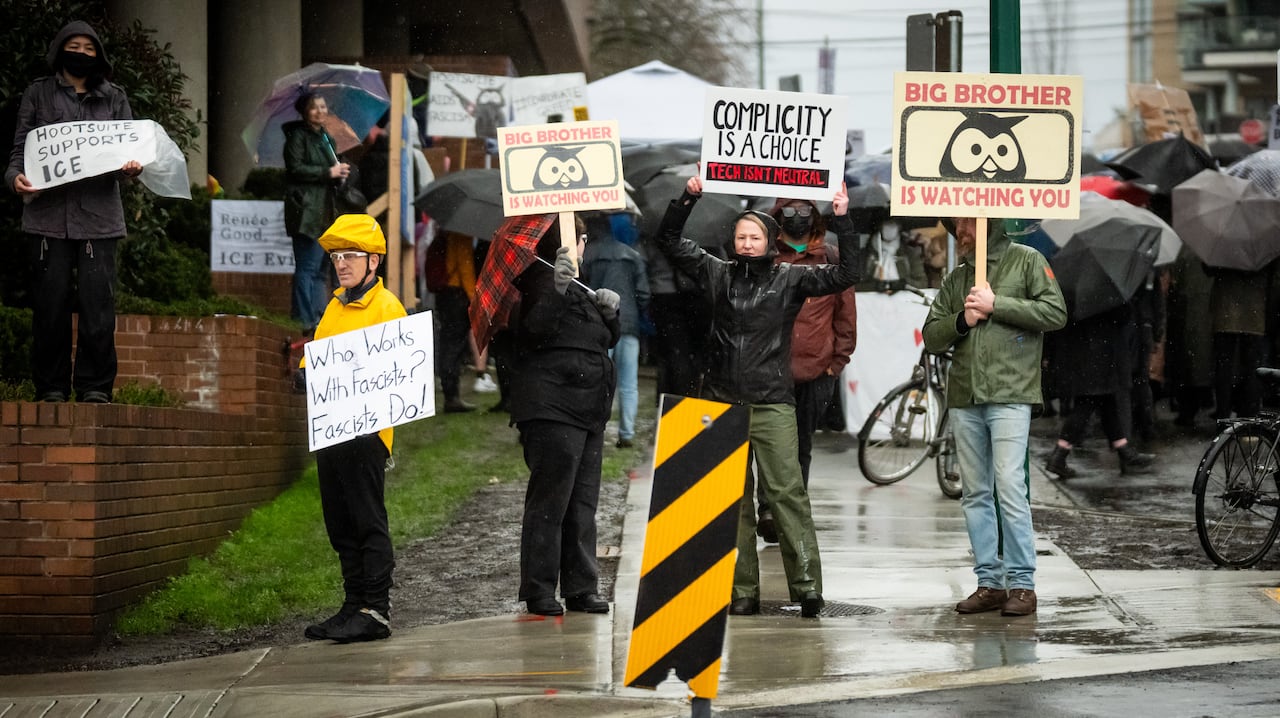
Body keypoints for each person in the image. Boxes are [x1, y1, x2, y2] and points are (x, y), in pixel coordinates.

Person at [657, 176, 860, 618]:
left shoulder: (790, 279)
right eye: (740, 237)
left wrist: (843, 219)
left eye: (755, 237)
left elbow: (847, 275)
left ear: (769, 241)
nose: (747, 244)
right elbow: (668, 239)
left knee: (787, 494)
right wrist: (689, 196)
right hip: (722, 403)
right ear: (732, 242)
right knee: (733, 501)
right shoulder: (717, 272)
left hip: (772, 402)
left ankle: (808, 588)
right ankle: (741, 590)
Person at [922, 217, 1066, 617]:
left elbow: (1055, 313)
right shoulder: (957, 277)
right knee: (976, 493)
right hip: (965, 394)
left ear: (991, 223)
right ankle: (989, 582)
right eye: (959, 225)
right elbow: (932, 335)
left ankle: (1022, 584)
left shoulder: (1028, 260)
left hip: (1010, 393)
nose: (961, 232)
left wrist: (996, 305)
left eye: (968, 224)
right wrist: (961, 321)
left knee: (1009, 486)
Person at [6, 21, 142, 404]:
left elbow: (128, 150)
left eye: (89, 48)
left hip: (99, 220)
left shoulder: (114, 98)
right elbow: (20, 150)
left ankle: (95, 387)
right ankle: (50, 387)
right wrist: (15, 178)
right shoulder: (38, 94)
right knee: (50, 307)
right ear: (59, 49)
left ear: (98, 55)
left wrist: (132, 168)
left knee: (98, 308)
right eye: (74, 46)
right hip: (47, 218)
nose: (81, 53)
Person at [300, 214, 407, 643]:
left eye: (350, 256)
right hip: (331, 430)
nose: (341, 264)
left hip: (366, 435)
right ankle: (352, 604)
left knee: (367, 521)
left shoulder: (388, 308)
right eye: (336, 256)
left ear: (373, 262)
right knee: (340, 523)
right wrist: (305, 372)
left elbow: (401, 370)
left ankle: (375, 610)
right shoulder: (334, 305)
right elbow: (319, 354)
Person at [510, 216, 621, 616]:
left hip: (590, 410)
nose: (575, 247)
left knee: (582, 503)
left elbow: (603, 340)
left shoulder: (584, 288)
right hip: (551, 408)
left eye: (579, 239)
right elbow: (534, 331)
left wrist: (610, 315)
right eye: (567, 240)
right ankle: (539, 589)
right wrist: (556, 289)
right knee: (550, 502)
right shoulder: (534, 282)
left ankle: (581, 586)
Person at [753, 197, 858, 544]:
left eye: (803, 211)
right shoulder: (767, 257)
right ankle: (768, 510)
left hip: (816, 371)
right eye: (789, 211)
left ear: (813, 216)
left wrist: (836, 363)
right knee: (769, 444)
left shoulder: (829, 257)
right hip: (771, 370)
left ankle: (792, 511)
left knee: (801, 444)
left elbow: (846, 312)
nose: (796, 217)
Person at [1043, 303, 1156, 478]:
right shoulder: (1105, 294)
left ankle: (1123, 449)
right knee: (1086, 405)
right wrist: (1127, 306)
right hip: (1100, 355)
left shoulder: (1074, 293)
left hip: (1083, 354)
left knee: (1106, 401)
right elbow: (1122, 317)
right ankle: (1059, 454)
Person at [582, 211, 651, 449]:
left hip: (598, 324)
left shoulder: (588, 254)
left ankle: (594, 427)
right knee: (629, 382)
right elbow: (643, 293)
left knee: (598, 379)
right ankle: (627, 433)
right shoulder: (632, 255)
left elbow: (582, 290)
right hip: (629, 324)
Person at [284, 91, 350, 335]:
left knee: (323, 268)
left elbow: (329, 172)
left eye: (323, 106)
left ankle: (320, 317)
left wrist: (340, 173)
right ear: (304, 111)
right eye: (314, 107)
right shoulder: (297, 138)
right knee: (307, 266)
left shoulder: (327, 139)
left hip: (326, 210)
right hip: (306, 211)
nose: (320, 111)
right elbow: (295, 168)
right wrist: (327, 173)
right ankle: (304, 317)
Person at [863, 218, 927, 291]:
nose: (889, 227)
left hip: (902, 301)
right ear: (879, 226)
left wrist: (904, 283)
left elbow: (922, 284)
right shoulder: (865, 255)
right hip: (871, 301)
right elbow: (853, 286)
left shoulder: (910, 254)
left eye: (893, 223)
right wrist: (873, 286)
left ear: (899, 226)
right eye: (886, 223)